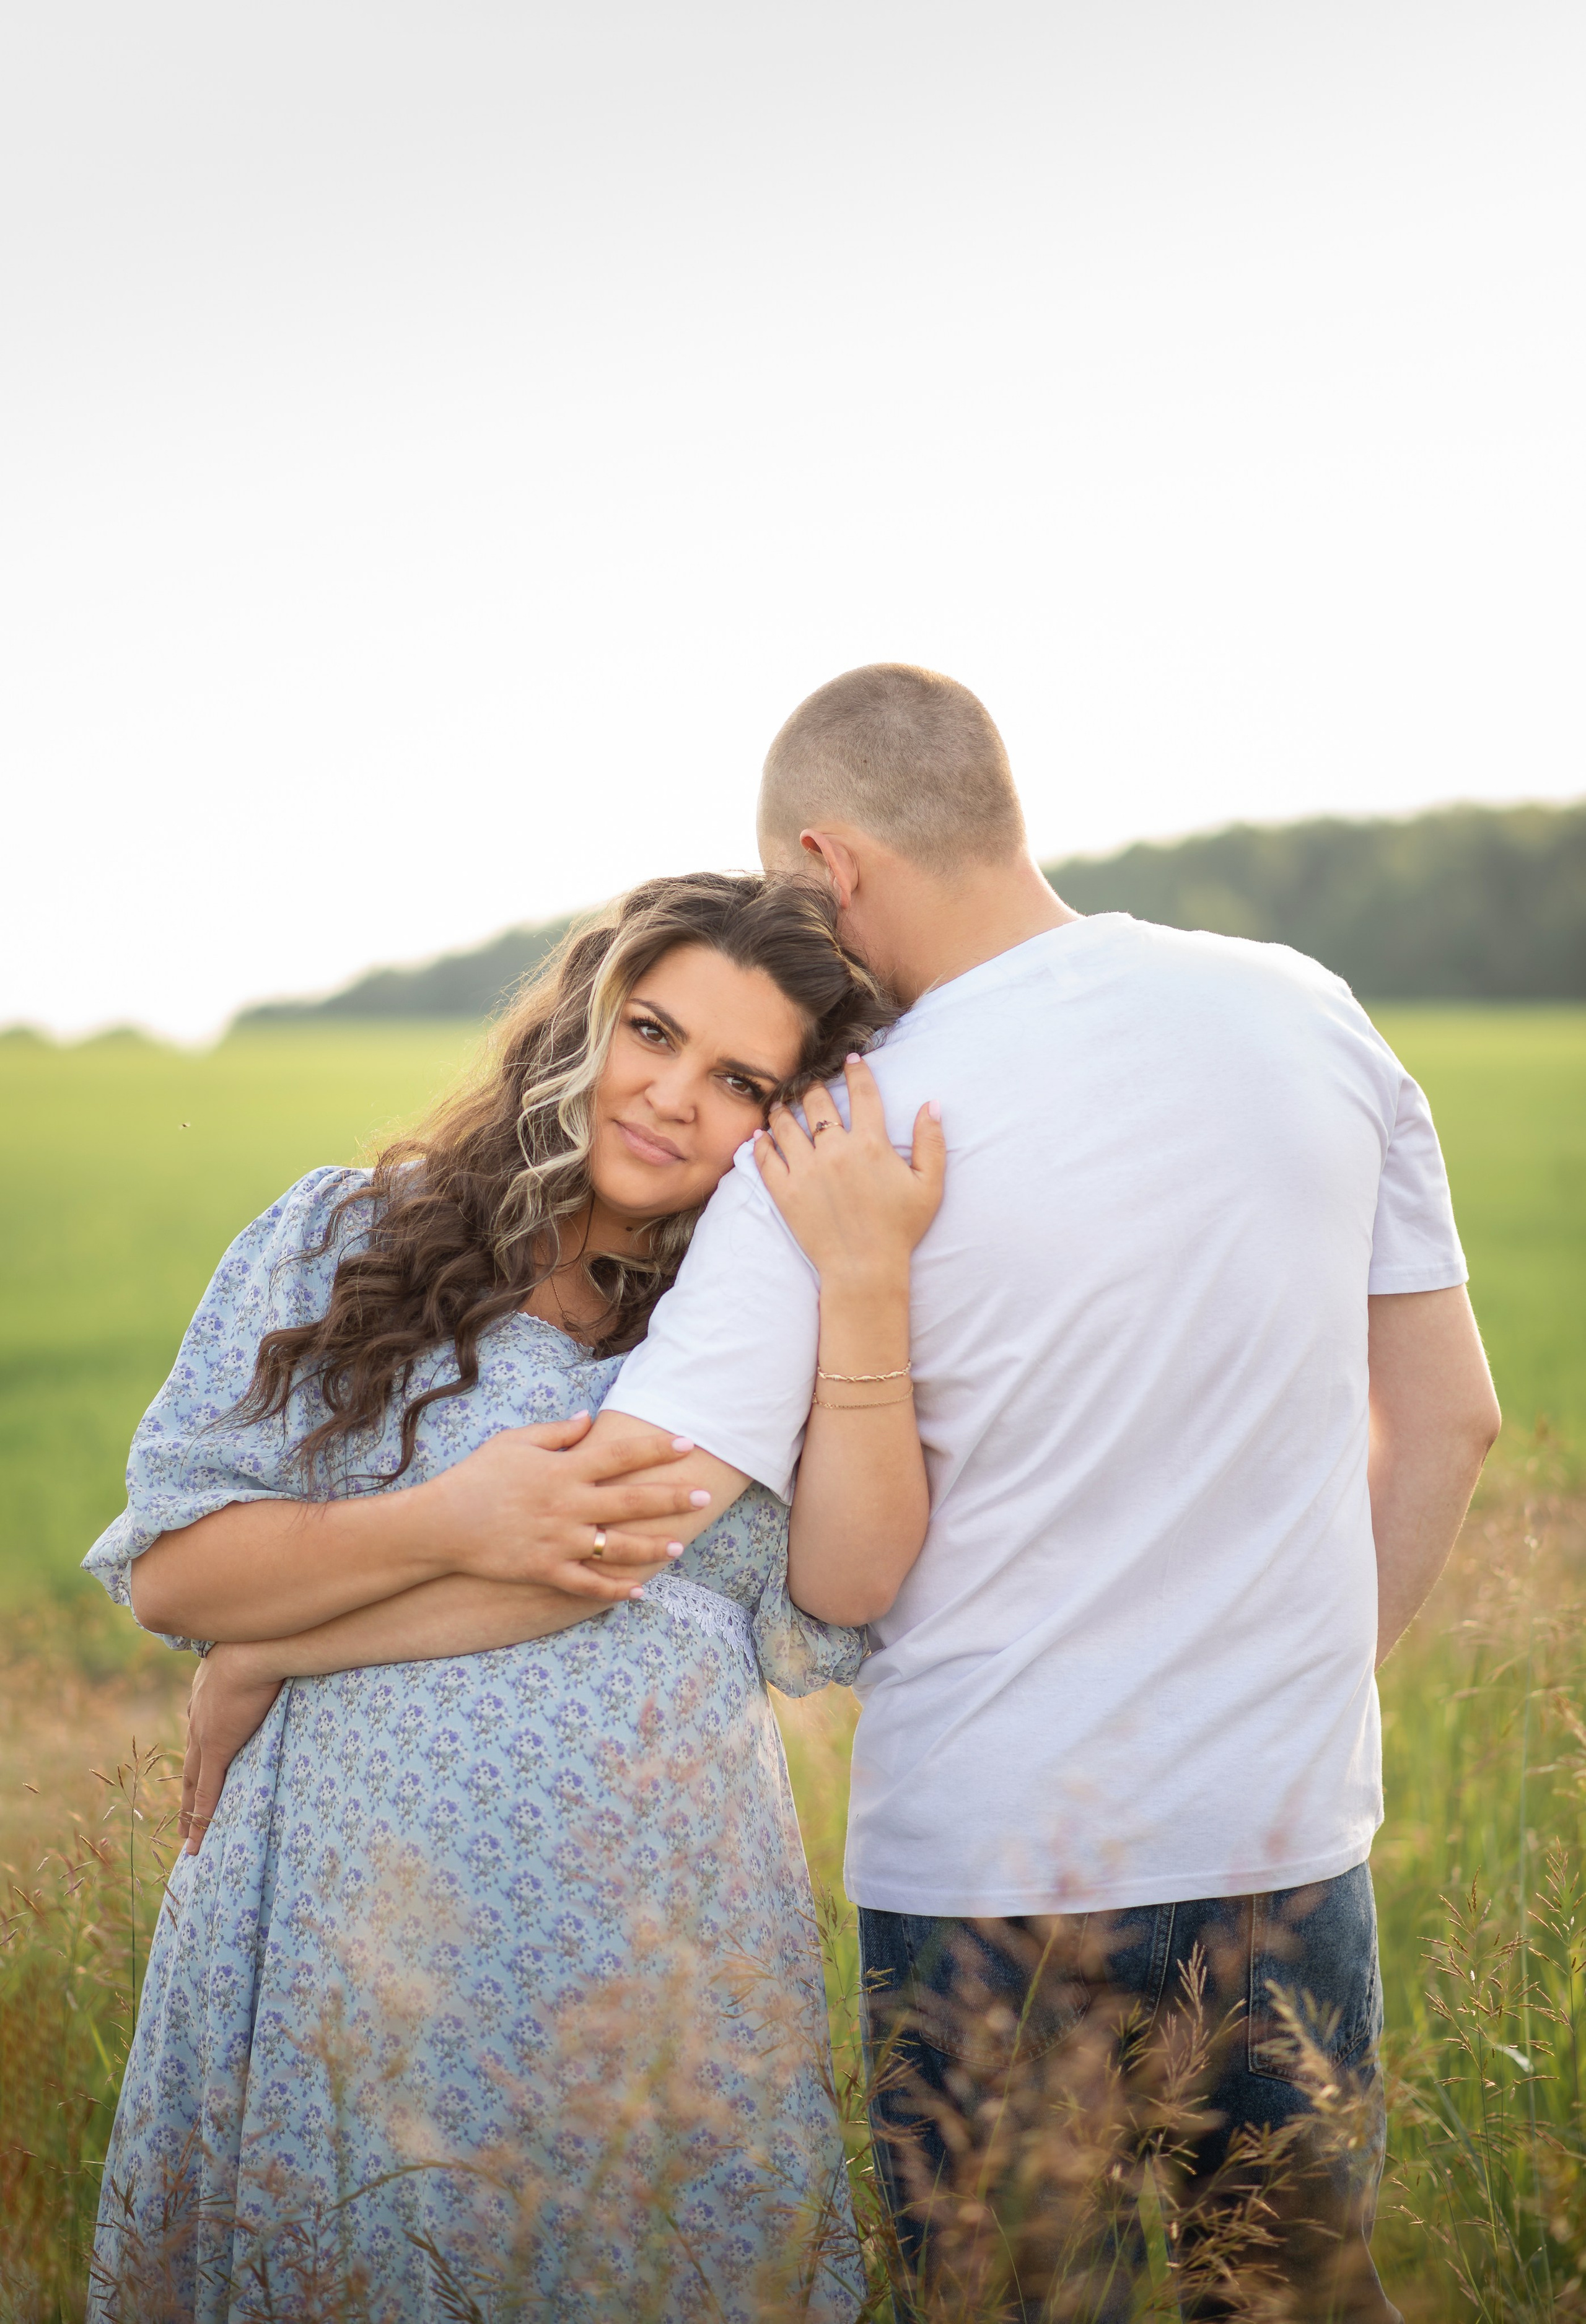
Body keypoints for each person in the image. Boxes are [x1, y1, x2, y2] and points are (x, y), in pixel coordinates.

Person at [179, 663, 1501, 2315]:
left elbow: (613, 1512)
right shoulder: (1311, 1009)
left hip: (991, 1874)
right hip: (1291, 1839)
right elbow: (1450, 1422)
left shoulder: (839, 1123)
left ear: (827, 862)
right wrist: (1290, 1698)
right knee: (1308, 2298)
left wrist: (277, 1636)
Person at [83, 871, 945, 2324]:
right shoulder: (347, 1234)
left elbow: (848, 1582)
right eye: (652, 1032)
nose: (671, 1096)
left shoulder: (748, 1309)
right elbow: (177, 1568)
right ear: (583, 1016)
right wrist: (446, 1518)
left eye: (738, 1078)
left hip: (659, 1931)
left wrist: (863, 1279)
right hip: (348, 1926)